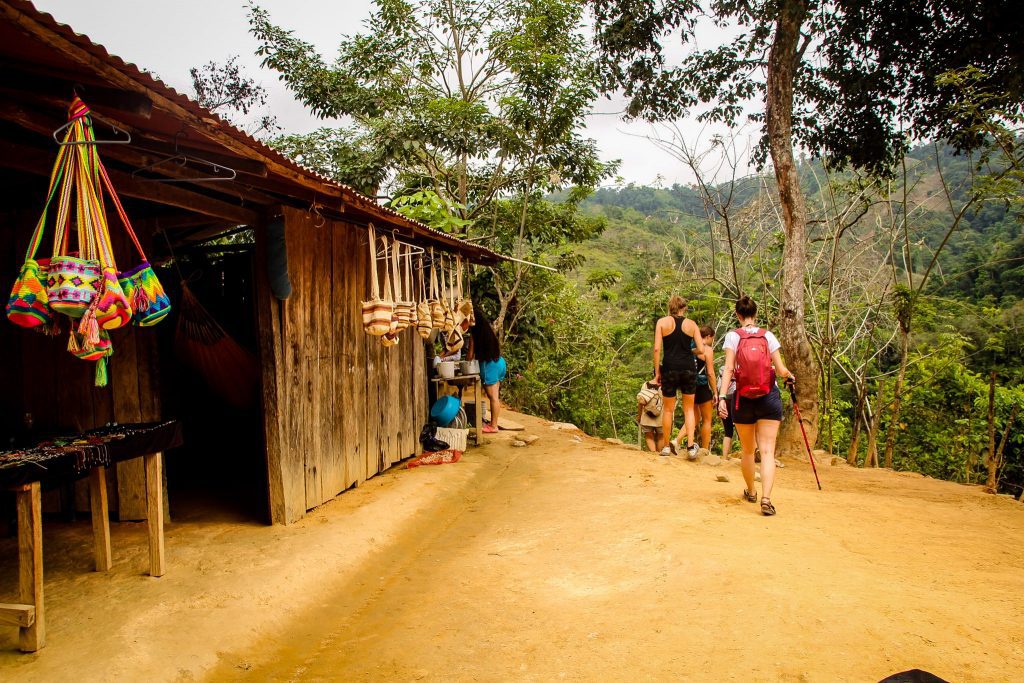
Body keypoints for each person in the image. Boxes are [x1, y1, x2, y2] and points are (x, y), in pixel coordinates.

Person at [717, 296, 795, 516]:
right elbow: (781, 369)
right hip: (769, 397)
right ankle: (766, 499)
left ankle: (751, 491)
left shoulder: (733, 337)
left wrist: (722, 397)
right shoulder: (768, 336)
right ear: (755, 313)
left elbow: (730, 369)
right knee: (768, 451)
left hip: (742, 400)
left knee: (748, 450)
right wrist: (789, 376)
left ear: (737, 315)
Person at [653, 295, 706, 459]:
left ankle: (667, 447)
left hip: (669, 368)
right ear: (684, 308)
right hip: (688, 369)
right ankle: (690, 447)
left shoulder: (662, 322)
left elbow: (656, 349)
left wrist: (657, 373)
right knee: (689, 409)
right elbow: (701, 349)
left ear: (670, 308)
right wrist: (690, 352)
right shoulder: (692, 324)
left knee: (668, 409)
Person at [674, 325, 717, 453]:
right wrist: (715, 391)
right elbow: (710, 373)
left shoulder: (688, 346)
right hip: (702, 386)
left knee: (693, 416)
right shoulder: (706, 349)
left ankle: (676, 441)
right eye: (712, 338)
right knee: (707, 419)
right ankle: (704, 450)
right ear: (708, 336)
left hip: (688, 385)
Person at [468, 304, 506, 434]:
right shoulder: (487, 329)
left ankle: (493, 426)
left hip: (489, 366)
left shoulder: (475, 333)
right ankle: (493, 423)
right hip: (499, 363)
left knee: (493, 397)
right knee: (496, 396)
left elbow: (470, 356)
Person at [636, 378, 664, 452]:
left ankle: (653, 454)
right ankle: (659, 455)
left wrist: (639, 415)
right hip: (661, 417)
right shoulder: (666, 385)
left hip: (646, 416)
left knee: (649, 437)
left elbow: (641, 402)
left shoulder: (645, 385)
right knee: (661, 437)